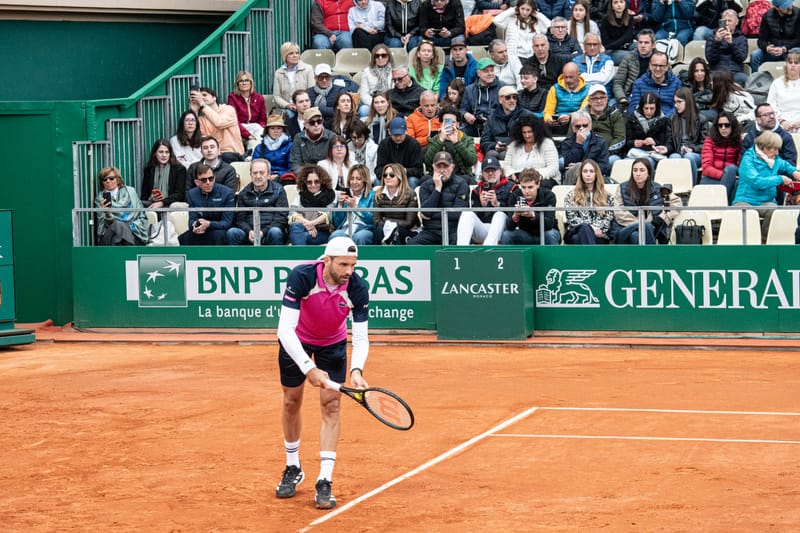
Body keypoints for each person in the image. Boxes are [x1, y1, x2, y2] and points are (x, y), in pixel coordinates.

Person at [274, 235, 370, 510]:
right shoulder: (302, 276)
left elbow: (361, 338)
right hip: (297, 343)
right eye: (343, 265)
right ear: (326, 260)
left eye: (352, 265)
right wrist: (309, 368)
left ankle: (324, 480)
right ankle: (293, 467)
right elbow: (284, 330)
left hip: (333, 345)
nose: (348, 272)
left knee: (332, 406)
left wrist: (356, 370)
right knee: (291, 401)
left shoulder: (357, 287)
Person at [734, 130, 800, 239]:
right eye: (774, 149)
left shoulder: (774, 159)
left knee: (776, 212)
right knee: (744, 214)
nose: (777, 153)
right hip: (745, 200)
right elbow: (757, 182)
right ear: (764, 147)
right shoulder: (747, 160)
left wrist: (794, 172)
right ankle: (749, 240)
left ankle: (765, 240)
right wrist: (780, 179)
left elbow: (785, 165)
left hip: (766, 201)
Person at [612, 158, 681, 244]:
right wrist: (643, 224)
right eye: (635, 170)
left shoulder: (658, 188)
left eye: (642, 170)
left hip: (649, 231)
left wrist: (663, 218)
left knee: (636, 235)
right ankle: (652, 256)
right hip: (624, 229)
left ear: (648, 173)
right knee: (644, 227)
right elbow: (619, 212)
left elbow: (676, 203)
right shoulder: (622, 188)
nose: (638, 174)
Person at [409, 151, 470, 244]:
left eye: (445, 166)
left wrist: (432, 213)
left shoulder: (461, 184)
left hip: (453, 230)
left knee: (459, 242)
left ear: (452, 167)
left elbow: (458, 213)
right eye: (438, 167)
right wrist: (437, 189)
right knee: (412, 245)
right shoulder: (425, 185)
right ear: (433, 167)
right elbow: (426, 212)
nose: (442, 170)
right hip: (431, 231)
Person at [456, 156, 517, 244]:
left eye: (494, 170)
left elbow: (513, 216)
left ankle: (488, 249)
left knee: (499, 214)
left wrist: (497, 204)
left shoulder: (512, 187)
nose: (490, 173)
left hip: (504, 230)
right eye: (487, 171)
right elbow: (475, 219)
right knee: (467, 213)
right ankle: (460, 251)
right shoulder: (477, 190)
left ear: (500, 171)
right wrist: (482, 205)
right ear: (482, 173)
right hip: (484, 228)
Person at [227, 159, 288, 246]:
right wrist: (249, 231)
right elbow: (240, 219)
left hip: (269, 232)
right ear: (251, 175)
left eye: (261, 173)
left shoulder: (279, 190)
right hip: (249, 233)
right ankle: (237, 260)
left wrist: (263, 232)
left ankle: (275, 259)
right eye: (255, 173)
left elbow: (281, 218)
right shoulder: (244, 193)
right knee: (232, 232)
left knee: (275, 231)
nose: (258, 176)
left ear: (268, 175)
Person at [178, 163, 235, 246]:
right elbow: (191, 220)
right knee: (183, 238)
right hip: (201, 230)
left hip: (219, 229)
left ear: (214, 178)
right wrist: (195, 225)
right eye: (204, 180)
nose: (208, 182)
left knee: (220, 236)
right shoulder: (191, 194)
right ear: (197, 182)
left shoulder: (227, 193)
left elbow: (227, 222)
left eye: (211, 179)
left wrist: (209, 224)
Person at [500, 167, 560, 244]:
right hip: (525, 233)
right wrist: (515, 217)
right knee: (506, 235)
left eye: (530, 187)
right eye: (523, 187)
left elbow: (549, 224)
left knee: (550, 234)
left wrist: (533, 215)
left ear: (538, 184)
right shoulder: (515, 196)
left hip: (546, 232)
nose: (526, 191)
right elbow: (509, 227)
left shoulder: (549, 195)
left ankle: (554, 256)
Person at [563, 159, 616, 244]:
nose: (588, 174)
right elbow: (571, 218)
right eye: (585, 171)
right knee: (583, 228)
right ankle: (592, 256)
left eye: (591, 171)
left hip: (599, 234)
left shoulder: (608, 196)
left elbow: (608, 219)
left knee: (578, 239)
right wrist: (590, 228)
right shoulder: (571, 196)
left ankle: (588, 256)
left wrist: (596, 230)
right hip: (575, 232)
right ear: (581, 174)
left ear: (596, 174)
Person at [95, 166, 149, 246]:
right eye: (104, 179)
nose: (108, 181)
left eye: (111, 178)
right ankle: (129, 253)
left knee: (120, 233)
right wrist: (107, 213)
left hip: (134, 232)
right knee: (118, 225)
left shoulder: (130, 192)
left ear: (118, 179)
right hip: (110, 235)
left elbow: (141, 215)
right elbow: (102, 226)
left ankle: (122, 255)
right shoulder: (100, 198)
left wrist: (131, 226)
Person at [190, 86, 245, 163]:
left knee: (225, 156)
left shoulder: (228, 109)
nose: (202, 98)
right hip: (215, 157)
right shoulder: (202, 119)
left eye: (204, 95)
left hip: (235, 155)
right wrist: (194, 111)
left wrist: (202, 104)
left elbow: (219, 122)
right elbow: (195, 135)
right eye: (200, 97)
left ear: (214, 98)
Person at [502, 114, 560, 184]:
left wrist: (537, 176)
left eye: (530, 132)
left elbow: (553, 168)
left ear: (536, 131)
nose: (527, 135)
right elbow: (506, 166)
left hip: (543, 180)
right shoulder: (513, 145)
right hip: (518, 181)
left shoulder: (547, 143)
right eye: (524, 132)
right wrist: (512, 174)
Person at [424, 105, 478, 181]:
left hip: (460, 176)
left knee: (467, 179)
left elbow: (471, 161)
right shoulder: (435, 139)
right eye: (446, 122)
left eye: (453, 122)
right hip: (438, 176)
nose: (449, 125)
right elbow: (427, 161)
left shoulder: (467, 139)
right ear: (441, 124)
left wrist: (456, 142)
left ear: (458, 124)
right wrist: (441, 139)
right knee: (425, 179)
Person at [288, 164, 336, 246]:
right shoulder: (301, 195)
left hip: (323, 231)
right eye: (309, 182)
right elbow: (292, 214)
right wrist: (308, 224)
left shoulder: (330, 195)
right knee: (295, 225)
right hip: (303, 229)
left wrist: (313, 223)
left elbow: (328, 215)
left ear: (322, 181)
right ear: (304, 183)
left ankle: (299, 257)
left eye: (316, 181)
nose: (313, 185)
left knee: (302, 237)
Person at [700, 111, 742, 203]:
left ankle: (724, 207)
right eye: (720, 125)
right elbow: (706, 168)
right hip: (711, 179)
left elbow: (740, 165)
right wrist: (727, 176)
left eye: (727, 125)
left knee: (734, 176)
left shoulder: (739, 142)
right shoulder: (709, 141)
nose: (723, 128)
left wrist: (730, 176)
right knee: (732, 173)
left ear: (733, 126)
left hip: (732, 179)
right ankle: (724, 205)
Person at [372, 163, 420, 244]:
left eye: (392, 175)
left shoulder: (411, 194)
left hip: (406, 230)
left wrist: (388, 222)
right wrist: (389, 225)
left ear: (400, 177)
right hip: (385, 228)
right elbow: (376, 221)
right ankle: (377, 256)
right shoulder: (378, 194)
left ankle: (396, 256)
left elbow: (409, 222)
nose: (387, 177)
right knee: (378, 230)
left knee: (395, 232)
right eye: (385, 175)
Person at [481, 85, 534, 157]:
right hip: (496, 150)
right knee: (491, 154)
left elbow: (532, 138)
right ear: (500, 100)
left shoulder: (526, 115)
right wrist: (494, 146)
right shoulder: (492, 116)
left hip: (518, 150)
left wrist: (512, 147)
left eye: (514, 97)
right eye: (508, 97)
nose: (512, 100)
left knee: (504, 155)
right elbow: (484, 140)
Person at [560, 109, 611, 184]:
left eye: (585, 125)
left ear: (590, 126)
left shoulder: (601, 142)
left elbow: (603, 166)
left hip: (594, 177)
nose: (582, 128)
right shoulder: (567, 143)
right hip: (573, 179)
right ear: (573, 128)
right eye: (578, 126)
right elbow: (568, 164)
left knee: (579, 166)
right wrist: (578, 144)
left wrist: (583, 168)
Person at [625, 91, 674, 168]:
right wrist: (634, 142)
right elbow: (626, 142)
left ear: (656, 108)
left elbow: (666, 142)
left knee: (648, 162)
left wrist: (655, 142)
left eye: (652, 108)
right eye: (646, 108)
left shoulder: (663, 120)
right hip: (635, 153)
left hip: (655, 154)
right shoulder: (632, 119)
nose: (649, 112)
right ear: (641, 107)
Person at [749, 0, 800, 73]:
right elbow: (761, 40)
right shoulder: (767, 16)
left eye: (790, 4)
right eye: (786, 6)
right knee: (755, 55)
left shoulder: (798, 14)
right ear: (777, 8)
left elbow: (798, 39)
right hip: (774, 49)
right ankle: (756, 81)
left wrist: (784, 48)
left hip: (791, 49)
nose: (790, 7)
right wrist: (767, 48)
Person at [742, 103, 798, 168]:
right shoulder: (750, 137)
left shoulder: (785, 137)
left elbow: (791, 163)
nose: (772, 116)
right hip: (753, 174)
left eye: (773, 113)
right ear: (758, 120)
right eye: (766, 115)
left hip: (778, 176)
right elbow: (744, 162)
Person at [628, 51, 682, 117]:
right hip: (645, 121)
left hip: (669, 121)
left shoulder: (676, 83)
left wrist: (664, 119)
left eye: (661, 66)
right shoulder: (638, 84)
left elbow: (678, 107)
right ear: (650, 66)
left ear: (667, 67)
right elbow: (633, 108)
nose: (658, 69)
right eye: (655, 65)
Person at [331, 164, 375, 245]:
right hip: (345, 228)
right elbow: (337, 223)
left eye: (358, 179)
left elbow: (372, 220)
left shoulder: (372, 195)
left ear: (365, 180)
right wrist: (340, 205)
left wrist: (355, 207)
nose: (354, 182)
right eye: (352, 179)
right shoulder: (345, 194)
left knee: (360, 237)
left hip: (365, 229)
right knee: (335, 235)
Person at [460, 57, 505, 136]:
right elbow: (462, 109)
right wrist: (465, 114)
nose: (490, 74)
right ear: (478, 73)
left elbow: (508, 110)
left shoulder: (503, 88)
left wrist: (491, 119)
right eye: (486, 71)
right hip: (474, 125)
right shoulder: (469, 89)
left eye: (492, 70)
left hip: (496, 124)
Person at [377, 117, 425, 188]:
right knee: (377, 181)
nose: (398, 138)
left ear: (406, 131)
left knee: (412, 180)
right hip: (388, 176)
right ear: (389, 132)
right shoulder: (384, 144)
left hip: (407, 177)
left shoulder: (414, 144)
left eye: (400, 134)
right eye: (395, 135)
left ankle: (410, 198)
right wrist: (390, 174)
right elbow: (379, 168)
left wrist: (403, 171)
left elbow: (419, 170)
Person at [705, 9, 749, 86]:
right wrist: (716, 42)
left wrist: (731, 44)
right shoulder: (712, 37)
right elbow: (711, 59)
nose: (727, 24)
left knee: (746, 80)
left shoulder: (742, 38)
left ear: (736, 22)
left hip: (735, 72)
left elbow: (741, 58)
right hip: (716, 71)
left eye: (730, 21)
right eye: (725, 21)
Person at [669, 88, 705, 183]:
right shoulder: (672, 119)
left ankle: (691, 189)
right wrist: (665, 148)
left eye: (679, 102)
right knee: (674, 158)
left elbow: (705, 145)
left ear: (688, 102)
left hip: (695, 154)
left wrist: (692, 149)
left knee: (689, 157)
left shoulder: (701, 120)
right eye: (675, 102)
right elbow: (670, 144)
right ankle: (675, 190)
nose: (676, 105)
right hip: (678, 152)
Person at [543, 61, 589, 135]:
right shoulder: (555, 88)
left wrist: (570, 116)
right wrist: (548, 119)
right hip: (557, 123)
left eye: (571, 77)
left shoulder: (588, 89)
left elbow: (583, 110)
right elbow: (548, 111)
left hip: (577, 122)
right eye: (566, 77)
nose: (568, 80)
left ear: (578, 75)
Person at [585, 85, 626, 166]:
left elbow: (621, 138)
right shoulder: (581, 115)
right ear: (589, 101)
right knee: (562, 162)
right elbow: (572, 137)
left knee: (614, 161)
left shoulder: (615, 114)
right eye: (595, 98)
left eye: (602, 97)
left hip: (608, 155)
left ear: (607, 99)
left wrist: (605, 153)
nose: (599, 101)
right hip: (585, 154)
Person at [613, 29, 655, 109]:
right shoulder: (628, 58)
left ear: (653, 45)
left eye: (646, 43)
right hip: (629, 96)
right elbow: (618, 82)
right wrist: (622, 98)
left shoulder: (660, 59)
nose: (642, 45)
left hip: (651, 97)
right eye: (640, 42)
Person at [141, 140, 187, 211]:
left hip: (171, 204)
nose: (164, 155)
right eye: (161, 152)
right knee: (140, 204)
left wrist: (162, 202)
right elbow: (144, 195)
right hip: (153, 203)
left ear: (170, 154)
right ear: (155, 153)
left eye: (167, 152)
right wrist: (151, 198)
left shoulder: (179, 169)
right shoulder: (149, 170)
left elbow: (179, 194)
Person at [227, 70, 267, 153]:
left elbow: (263, 119)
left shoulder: (259, 98)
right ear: (237, 84)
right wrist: (248, 135)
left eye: (246, 80)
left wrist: (260, 128)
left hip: (256, 127)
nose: (244, 83)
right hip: (239, 126)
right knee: (257, 132)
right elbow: (234, 121)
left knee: (258, 134)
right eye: (241, 81)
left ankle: (250, 155)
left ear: (251, 83)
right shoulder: (233, 97)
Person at [273, 42, 316, 117]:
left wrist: (302, 105)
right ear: (285, 55)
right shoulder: (278, 73)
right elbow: (277, 96)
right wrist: (288, 105)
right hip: (288, 109)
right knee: (287, 116)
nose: (295, 55)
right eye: (291, 53)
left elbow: (311, 91)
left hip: (305, 107)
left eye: (297, 53)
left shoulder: (308, 69)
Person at [290, 107, 336, 173]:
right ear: (305, 125)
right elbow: (296, 163)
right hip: (304, 175)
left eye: (319, 121)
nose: (316, 125)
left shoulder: (332, 137)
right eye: (312, 122)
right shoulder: (298, 138)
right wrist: (306, 176)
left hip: (326, 174)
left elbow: (334, 162)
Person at [252, 115, 294, 182]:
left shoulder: (290, 146)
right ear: (267, 130)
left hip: (283, 178)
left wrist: (279, 174)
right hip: (264, 178)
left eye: (278, 128)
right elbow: (255, 166)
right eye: (272, 128)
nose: (275, 131)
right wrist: (267, 175)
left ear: (283, 130)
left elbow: (292, 167)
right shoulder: (259, 148)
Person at [767, 50, 800, 134]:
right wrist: (782, 121)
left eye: (796, 63)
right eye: (790, 62)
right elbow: (770, 105)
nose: (793, 65)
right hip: (781, 120)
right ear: (786, 65)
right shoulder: (777, 83)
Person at [572, 32, 615, 96]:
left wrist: (582, 76)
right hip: (581, 97)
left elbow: (603, 79)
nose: (592, 47)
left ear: (600, 46)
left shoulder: (608, 60)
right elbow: (574, 80)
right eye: (589, 44)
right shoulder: (575, 61)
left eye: (595, 44)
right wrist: (598, 76)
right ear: (584, 46)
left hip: (603, 98)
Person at [358, 45, 395, 119]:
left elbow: (395, 92)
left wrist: (385, 103)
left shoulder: (394, 71)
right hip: (371, 102)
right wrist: (377, 104)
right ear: (373, 58)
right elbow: (364, 94)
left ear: (388, 57)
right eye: (377, 56)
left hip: (389, 102)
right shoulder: (367, 72)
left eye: (383, 55)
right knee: (364, 110)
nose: (380, 58)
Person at [307, 64, 346, 129]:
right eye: (321, 77)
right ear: (315, 78)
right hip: (313, 124)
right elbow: (307, 111)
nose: (324, 80)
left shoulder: (339, 90)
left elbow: (340, 111)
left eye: (327, 77)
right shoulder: (309, 92)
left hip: (335, 124)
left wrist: (317, 108)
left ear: (331, 78)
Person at [601, 0, 636, 65]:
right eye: (615, 2)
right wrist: (621, 45)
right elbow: (605, 42)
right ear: (611, 5)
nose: (619, 5)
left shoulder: (630, 17)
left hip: (626, 46)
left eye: (621, 2)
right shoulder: (605, 19)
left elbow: (627, 36)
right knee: (631, 57)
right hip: (611, 49)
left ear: (625, 3)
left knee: (640, 47)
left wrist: (623, 45)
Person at [347, 120, 379, 185]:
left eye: (359, 138)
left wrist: (365, 181)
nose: (356, 141)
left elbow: (376, 171)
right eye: (354, 138)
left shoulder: (374, 148)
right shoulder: (346, 148)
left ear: (365, 135)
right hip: (352, 182)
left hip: (370, 181)